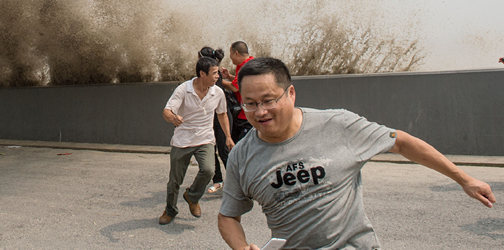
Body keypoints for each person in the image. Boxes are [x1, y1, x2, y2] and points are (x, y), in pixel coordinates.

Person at [218, 58, 496, 249]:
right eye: (250, 104)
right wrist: (242, 246)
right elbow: (228, 215)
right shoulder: (243, 155)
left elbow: (401, 142)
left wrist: (463, 179)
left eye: (269, 100)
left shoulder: (338, 125)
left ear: (290, 93)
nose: (260, 111)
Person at [159, 56, 235, 225]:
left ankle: (192, 197)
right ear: (202, 73)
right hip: (182, 139)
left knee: (208, 170)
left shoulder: (218, 92)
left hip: (205, 138)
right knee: (174, 182)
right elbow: (167, 111)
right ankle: (170, 210)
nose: (218, 76)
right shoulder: (183, 89)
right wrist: (173, 118)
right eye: (214, 73)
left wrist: (228, 137)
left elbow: (222, 114)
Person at [197, 46, 236, 195]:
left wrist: (228, 135)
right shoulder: (209, 75)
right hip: (209, 119)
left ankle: (236, 183)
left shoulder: (214, 75)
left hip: (221, 118)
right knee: (211, 151)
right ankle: (218, 181)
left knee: (224, 151)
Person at [219, 41, 254, 142]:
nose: (230, 57)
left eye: (230, 54)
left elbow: (235, 88)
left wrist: (216, 80)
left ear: (236, 53)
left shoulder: (245, 67)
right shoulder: (250, 63)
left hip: (245, 114)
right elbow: (242, 82)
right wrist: (229, 77)